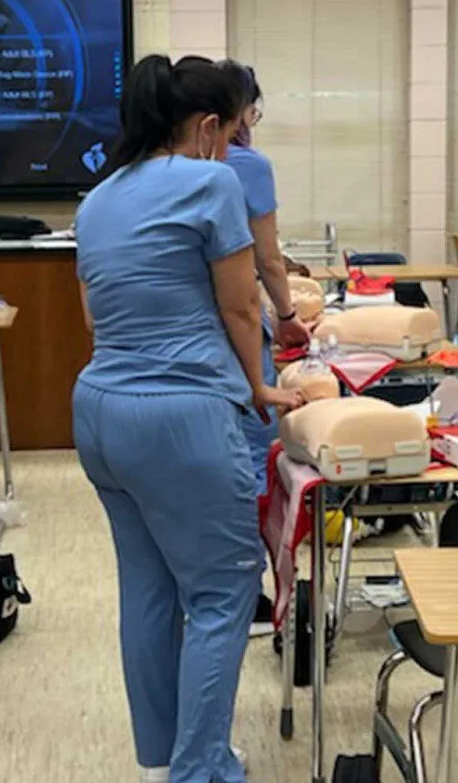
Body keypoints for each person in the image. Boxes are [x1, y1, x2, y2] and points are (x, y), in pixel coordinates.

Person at [72, 54, 303, 783]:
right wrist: (260, 388)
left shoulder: (98, 197)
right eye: (234, 129)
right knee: (219, 592)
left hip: (102, 410)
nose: (237, 144)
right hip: (183, 413)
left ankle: (163, 759)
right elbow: (240, 305)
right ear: (207, 128)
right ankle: (201, 769)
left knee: (147, 588)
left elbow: (94, 314)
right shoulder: (212, 181)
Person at [214, 59, 312, 500]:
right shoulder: (246, 166)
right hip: (235, 324)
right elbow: (267, 260)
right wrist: (288, 315)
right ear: (241, 113)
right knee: (252, 448)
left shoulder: (131, 182)